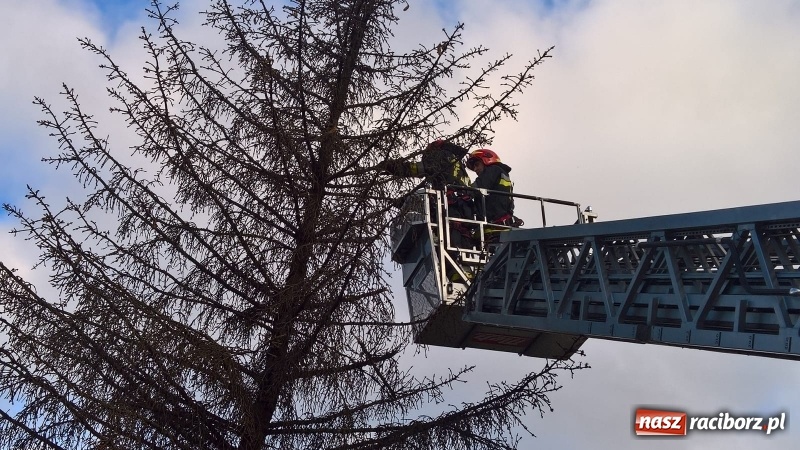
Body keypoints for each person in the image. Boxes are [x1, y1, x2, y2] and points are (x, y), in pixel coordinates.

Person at [465, 148, 515, 225]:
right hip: (502, 222)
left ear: (486, 160)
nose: (475, 169)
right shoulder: (502, 174)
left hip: (494, 224)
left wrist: (463, 193)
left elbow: (477, 187)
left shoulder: (493, 170)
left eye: (477, 165)